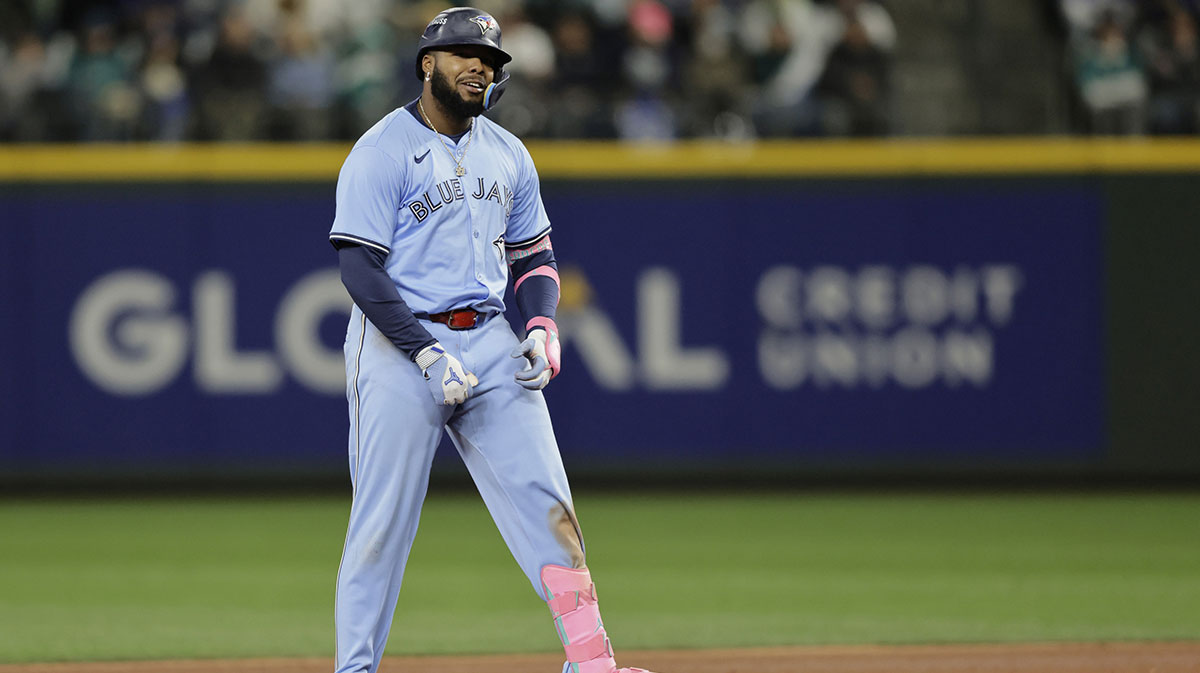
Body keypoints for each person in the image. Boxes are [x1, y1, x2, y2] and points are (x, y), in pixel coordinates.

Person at [327, 8, 656, 673]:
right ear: (428, 63)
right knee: (382, 524)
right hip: (399, 345)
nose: (479, 65)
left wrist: (540, 324)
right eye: (464, 53)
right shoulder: (383, 148)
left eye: (490, 58)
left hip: (489, 338)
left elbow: (535, 257)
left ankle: (591, 662)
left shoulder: (508, 152)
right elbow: (358, 266)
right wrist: (422, 350)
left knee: (548, 504)